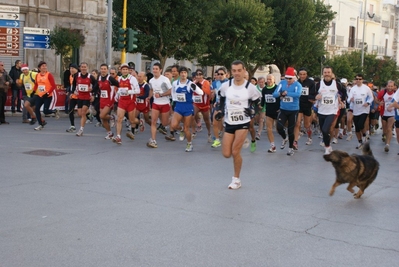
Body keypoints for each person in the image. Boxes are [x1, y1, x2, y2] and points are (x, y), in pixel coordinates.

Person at [215, 60, 261, 189]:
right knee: (226, 154)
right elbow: (221, 99)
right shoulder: (225, 86)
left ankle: (236, 179)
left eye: (239, 70)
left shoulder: (250, 88)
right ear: (231, 71)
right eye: (234, 71)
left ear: (244, 70)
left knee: (235, 152)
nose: (237, 73)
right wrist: (220, 111)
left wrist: (253, 111)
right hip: (229, 122)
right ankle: (240, 141)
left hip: (243, 122)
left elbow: (258, 104)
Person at [170, 66, 204, 152]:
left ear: (187, 74)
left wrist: (194, 87)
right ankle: (180, 130)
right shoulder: (175, 83)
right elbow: (173, 93)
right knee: (173, 125)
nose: (183, 74)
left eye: (185, 73)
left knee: (186, 128)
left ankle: (189, 144)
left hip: (188, 107)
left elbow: (201, 92)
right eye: (181, 73)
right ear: (179, 74)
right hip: (179, 106)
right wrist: (174, 101)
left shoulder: (190, 83)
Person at [272, 67, 302, 156]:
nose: (288, 80)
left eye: (290, 78)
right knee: (279, 127)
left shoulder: (297, 85)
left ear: (294, 78)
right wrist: (281, 93)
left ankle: (290, 148)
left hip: (293, 110)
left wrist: (286, 93)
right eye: (287, 78)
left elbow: (298, 94)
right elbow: (274, 94)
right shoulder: (282, 83)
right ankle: (285, 138)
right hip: (283, 109)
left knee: (291, 130)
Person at [314, 66, 343, 155]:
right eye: (325, 72)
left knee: (325, 129)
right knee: (323, 131)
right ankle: (328, 146)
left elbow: (343, 93)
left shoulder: (337, 84)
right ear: (323, 74)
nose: (327, 74)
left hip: (332, 111)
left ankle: (327, 147)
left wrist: (340, 99)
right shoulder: (319, 84)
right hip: (321, 110)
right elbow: (313, 95)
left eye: (328, 72)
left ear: (331, 73)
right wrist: (316, 96)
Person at [113, 63, 140, 144]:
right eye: (123, 69)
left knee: (132, 120)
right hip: (122, 101)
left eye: (126, 69)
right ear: (121, 70)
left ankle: (139, 122)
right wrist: (117, 95)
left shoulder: (132, 79)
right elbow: (119, 89)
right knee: (119, 119)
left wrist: (129, 92)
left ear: (128, 70)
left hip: (131, 101)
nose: (124, 71)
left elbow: (138, 90)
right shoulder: (119, 79)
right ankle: (118, 137)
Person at [147, 63, 172, 148]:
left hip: (165, 103)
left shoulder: (165, 80)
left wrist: (161, 95)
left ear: (160, 70)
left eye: (156, 69)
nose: (154, 70)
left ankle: (174, 120)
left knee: (164, 123)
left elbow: (170, 91)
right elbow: (151, 89)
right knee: (153, 122)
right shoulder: (151, 80)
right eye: (153, 69)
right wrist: (149, 96)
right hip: (156, 103)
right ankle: (153, 140)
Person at [347, 74, 374, 149]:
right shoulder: (353, 89)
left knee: (360, 124)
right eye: (357, 79)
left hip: (364, 110)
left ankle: (364, 135)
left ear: (362, 80)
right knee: (357, 128)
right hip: (355, 110)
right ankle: (360, 142)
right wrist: (350, 100)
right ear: (355, 80)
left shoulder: (366, 88)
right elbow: (348, 99)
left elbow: (371, 98)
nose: (358, 80)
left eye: (360, 79)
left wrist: (368, 103)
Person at [72, 62, 98, 136]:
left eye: (85, 67)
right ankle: (90, 111)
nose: (83, 68)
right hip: (79, 96)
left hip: (87, 97)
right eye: (82, 67)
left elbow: (96, 85)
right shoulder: (77, 76)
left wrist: (93, 92)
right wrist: (74, 91)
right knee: (80, 114)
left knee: (83, 113)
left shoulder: (90, 77)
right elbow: (74, 84)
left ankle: (81, 129)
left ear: (87, 68)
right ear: (80, 68)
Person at [32, 61, 57, 130]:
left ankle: (54, 111)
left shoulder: (49, 75)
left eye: (45, 66)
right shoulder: (37, 75)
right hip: (40, 95)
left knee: (45, 111)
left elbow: (53, 86)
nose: (44, 67)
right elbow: (36, 84)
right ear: (39, 68)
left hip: (47, 96)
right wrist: (33, 91)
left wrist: (48, 93)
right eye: (43, 66)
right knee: (36, 109)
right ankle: (40, 124)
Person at [295, 68, 317, 148]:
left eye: (304, 74)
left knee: (307, 124)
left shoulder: (311, 83)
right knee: (297, 123)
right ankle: (296, 140)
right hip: (298, 105)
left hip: (307, 105)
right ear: (298, 75)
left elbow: (313, 94)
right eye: (300, 74)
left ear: (306, 74)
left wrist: (311, 98)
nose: (302, 76)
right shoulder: (296, 83)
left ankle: (309, 137)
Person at [97, 64, 119, 139]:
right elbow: (97, 87)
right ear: (100, 69)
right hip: (102, 99)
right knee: (103, 119)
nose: (103, 70)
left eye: (104, 69)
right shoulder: (99, 78)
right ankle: (110, 133)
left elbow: (118, 85)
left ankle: (113, 117)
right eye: (102, 69)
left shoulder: (110, 78)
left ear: (107, 70)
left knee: (102, 115)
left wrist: (118, 94)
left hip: (109, 100)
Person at [261, 74, 280, 153]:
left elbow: (281, 99)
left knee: (279, 129)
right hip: (269, 111)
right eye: (267, 79)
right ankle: (272, 146)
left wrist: (280, 108)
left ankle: (287, 138)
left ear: (274, 80)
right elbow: (263, 100)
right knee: (269, 128)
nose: (268, 81)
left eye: (270, 79)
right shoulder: (264, 89)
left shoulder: (277, 88)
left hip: (278, 111)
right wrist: (260, 106)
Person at [191, 69, 212, 142]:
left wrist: (201, 86)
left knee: (206, 120)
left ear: (202, 75)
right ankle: (193, 132)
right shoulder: (193, 82)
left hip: (205, 104)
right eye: (197, 74)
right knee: (192, 116)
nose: (198, 76)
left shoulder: (205, 82)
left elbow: (208, 92)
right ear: (195, 76)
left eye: (200, 74)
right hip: (196, 103)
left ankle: (209, 133)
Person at [377, 80, 396, 152]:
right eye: (389, 86)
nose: (390, 87)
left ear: (394, 87)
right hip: (384, 114)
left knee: (389, 128)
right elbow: (376, 100)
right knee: (385, 130)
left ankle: (387, 144)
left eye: (392, 86)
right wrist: (379, 103)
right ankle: (385, 136)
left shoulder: (396, 94)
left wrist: (394, 106)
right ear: (386, 86)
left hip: (392, 114)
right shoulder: (382, 92)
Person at [65, 64, 79, 132]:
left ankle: (89, 114)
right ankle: (72, 126)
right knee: (70, 110)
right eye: (70, 68)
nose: (71, 70)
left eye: (73, 68)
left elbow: (77, 86)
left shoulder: (79, 76)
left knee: (81, 112)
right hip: (73, 96)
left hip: (79, 96)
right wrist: (69, 92)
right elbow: (71, 86)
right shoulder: (71, 76)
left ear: (76, 69)